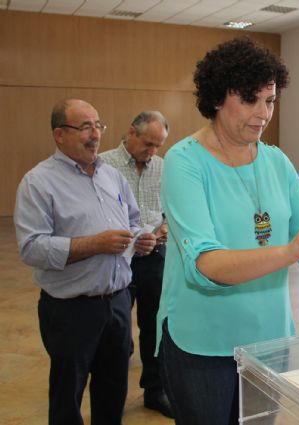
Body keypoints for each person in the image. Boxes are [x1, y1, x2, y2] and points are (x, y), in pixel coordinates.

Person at [156, 37, 299, 425]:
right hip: (204, 343)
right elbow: (206, 265)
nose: (263, 113)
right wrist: (292, 250)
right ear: (216, 97)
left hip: (269, 341)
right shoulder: (184, 162)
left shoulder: (276, 161)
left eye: (270, 100)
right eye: (250, 99)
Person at [14, 99, 156, 425]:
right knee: (68, 395)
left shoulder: (112, 177)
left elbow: (132, 221)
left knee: (112, 389)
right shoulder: (38, 183)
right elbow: (32, 249)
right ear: (59, 135)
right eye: (85, 127)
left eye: (98, 125)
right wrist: (95, 244)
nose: (95, 135)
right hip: (70, 310)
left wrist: (140, 239)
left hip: (118, 302)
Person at [100, 111, 173, 418]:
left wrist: (167, 227)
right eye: (147, 143)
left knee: (155, 328)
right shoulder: (104, 165)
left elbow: (170, 209)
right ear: (130, 132)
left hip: (155, 257)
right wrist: (132, 239)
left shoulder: (162, 167)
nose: (152, 152)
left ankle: (154, 391)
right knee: (116, 333)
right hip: (118, 259)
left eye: (158, 145)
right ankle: (110, 401)